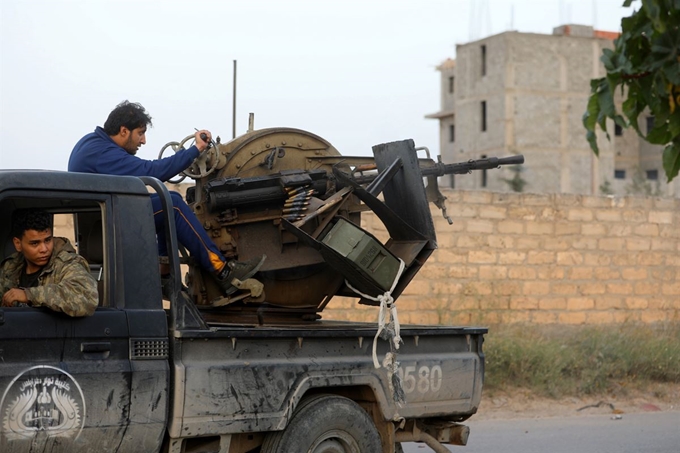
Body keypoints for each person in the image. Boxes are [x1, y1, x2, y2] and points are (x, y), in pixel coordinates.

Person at [68, 100, 264, 296]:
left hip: (103, 218)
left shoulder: (92, 143)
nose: (143, 141)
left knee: (166, 198)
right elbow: (151, 171)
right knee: (173, 205)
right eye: (140, 133)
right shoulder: (103, 153)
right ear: (123, 131)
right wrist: (195, 150)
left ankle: (163, 273)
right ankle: (224, 271)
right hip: (107, 224)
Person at [0, 209, 98, 317]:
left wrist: (29, 295)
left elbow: (86, 297)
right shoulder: (11, 267)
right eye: (35, 243)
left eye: (47, 240)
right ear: (18, 244)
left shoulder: (66, 264)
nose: (44, 249)